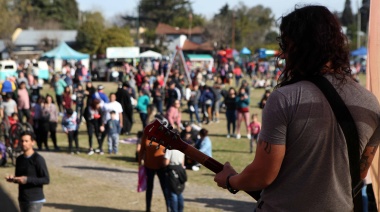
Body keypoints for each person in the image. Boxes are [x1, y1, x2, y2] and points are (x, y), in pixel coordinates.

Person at [214, 5, 380, 211]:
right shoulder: (370, 103)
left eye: (285, 44)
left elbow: (263, 175)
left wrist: (230, 179)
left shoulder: (284, 98)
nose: (282, 55)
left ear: (299, 47)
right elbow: (359, 172)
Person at [5, 131, 50, 212]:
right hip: (22, 198)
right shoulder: (19, 159)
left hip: (35, 199)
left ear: (32, 142)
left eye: (26, 141)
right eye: (22, 141)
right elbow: (19, 178)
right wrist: (13, 179)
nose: (23, 143)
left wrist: (27, 180)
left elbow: (46, 179)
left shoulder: (38, 159)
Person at [139, 129, 169, 212]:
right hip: (149, 166)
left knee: (165, 188)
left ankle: (169, 208)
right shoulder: (146, 135)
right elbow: (142, 149)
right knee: (149, 189)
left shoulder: (164, 136)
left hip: (162, 167)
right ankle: (148, 208)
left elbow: (169, 150)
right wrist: (140, 164)